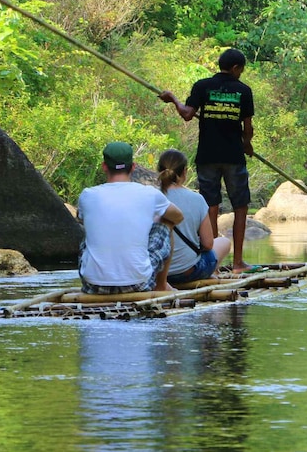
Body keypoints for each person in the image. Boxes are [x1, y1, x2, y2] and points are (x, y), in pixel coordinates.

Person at [159, 48, 254, 272]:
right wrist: (246, 144)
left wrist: (172, 98)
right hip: (233, 157)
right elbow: (247, 128)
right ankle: (238, 263)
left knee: (210, 206)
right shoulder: (244, 91)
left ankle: (213, 261)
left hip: (207, 156)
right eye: (241, 70)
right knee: (240, 207)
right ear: (235, 68)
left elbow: (187, 114)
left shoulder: (202, 86)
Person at [77, 141, 184, 294]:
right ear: (133, 167)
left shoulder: (87, 195)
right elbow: (178, 216)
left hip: (93, 287)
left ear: (104, 166)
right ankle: (161, 285)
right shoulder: (149, 193)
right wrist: (152, 221)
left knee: (87, 238)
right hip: (138, 284)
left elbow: (81, 218)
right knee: (164, 224)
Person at [157, 148, 232, 285]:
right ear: (184, 172)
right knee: (225, 242)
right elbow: (208, 244)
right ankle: (210, 273)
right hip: (187, 272)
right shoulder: (197, 199)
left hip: (155, 274)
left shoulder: (149, 197)